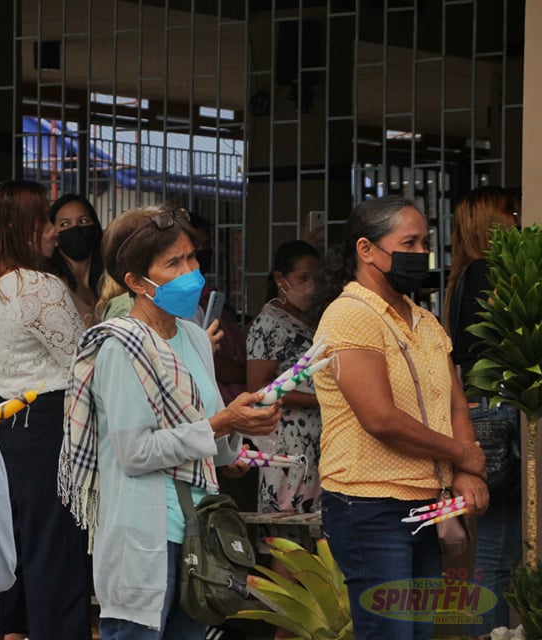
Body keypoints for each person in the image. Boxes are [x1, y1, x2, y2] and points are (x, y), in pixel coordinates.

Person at [59, 205, 281, 640]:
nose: (190, 271)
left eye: (191, 258)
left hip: (199, 532)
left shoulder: (195, 337)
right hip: (145, 533)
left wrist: (242, 428)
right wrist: (220, 424)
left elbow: (210, 440)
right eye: (174, 263)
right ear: (137, 283)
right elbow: (135, 452)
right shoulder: (121, 346)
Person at [313, 195, 488, 640]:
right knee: (390, 633)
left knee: (420, 630)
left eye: (425, 241)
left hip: (429, 502)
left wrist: (466, 470)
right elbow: (381, 419)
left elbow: (453, 401)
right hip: (370, 506)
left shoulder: (425, 320)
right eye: (409, 241)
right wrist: (462, 453)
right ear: (366, 250)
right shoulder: (350, 315)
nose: (421, 252)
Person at [0, 180, 93, 640]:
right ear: (23, 228)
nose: (53, 232)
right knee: (54, 557)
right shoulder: (38, 286)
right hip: (46, 428)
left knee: (12, 555)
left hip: (0, 433)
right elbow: (83, 362)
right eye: (43, 221)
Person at [444, 186, 521, 636]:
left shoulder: (462, 277)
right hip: (497, 407)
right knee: (496, 555)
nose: (518, 217)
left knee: (496, 551)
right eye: (510, 212)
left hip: (481, 408)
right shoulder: (488, 273)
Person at [246, 241, 322, 543]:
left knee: (316, 533)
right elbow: (258, 390)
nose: (313, 286)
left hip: (315, 444)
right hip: (287, 445)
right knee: (287, 534)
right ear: (281, 279)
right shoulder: (268, 325)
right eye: (304, 278)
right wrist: (317, 400)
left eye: (317, 278)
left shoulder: (310, 319)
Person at [48, 193, 105, 325]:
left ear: (95, 228)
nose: (76, 228)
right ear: (54, 236)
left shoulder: (108, 281)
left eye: (84, 221)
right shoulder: (53, 286)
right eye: (64, 224)